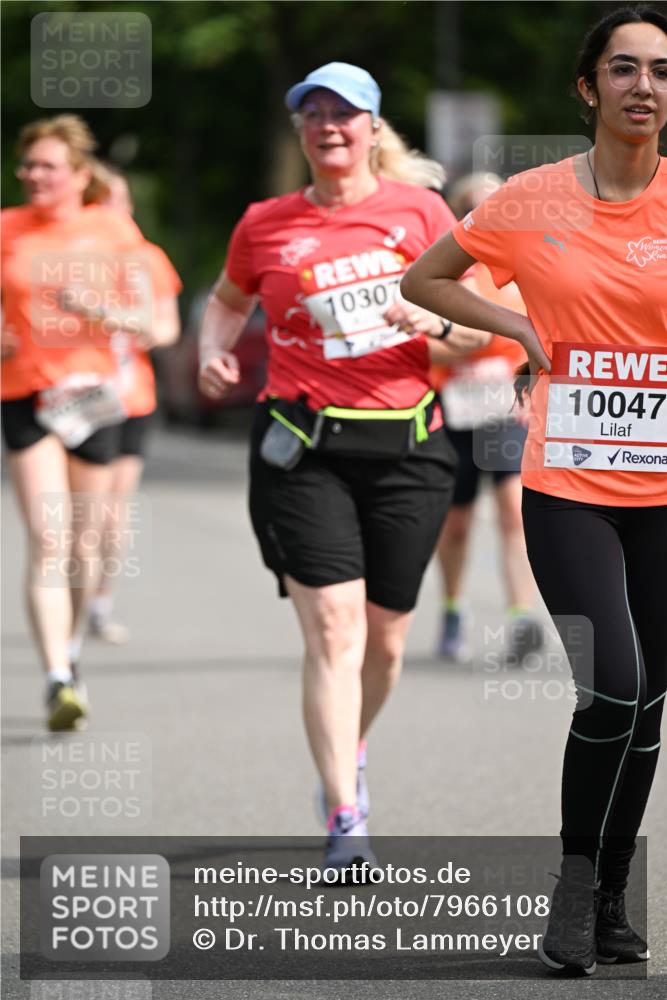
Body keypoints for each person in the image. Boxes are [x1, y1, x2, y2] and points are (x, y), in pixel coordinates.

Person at [401, 5, 667, 975]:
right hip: (569, 485)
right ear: (587, 87)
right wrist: (515, 329)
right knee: (614, 684)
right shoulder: (530, 199)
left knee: (653, 702)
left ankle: (606, 895)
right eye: (625, 68)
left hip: (666, 494)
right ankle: (571, 875)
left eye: (662, 71)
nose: (646, 86)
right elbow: (428, 280)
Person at [197, 62, 489, 872]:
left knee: (385, 646)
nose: (329, 126)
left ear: (371, 128)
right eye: (313, 114)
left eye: (344, 114)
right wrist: (213, 356)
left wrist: (426, 316)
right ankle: (342, 814)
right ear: (300, 131)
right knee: (332, 628)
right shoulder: (265, 222)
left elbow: (479, 333)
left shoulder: (419, 212)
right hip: (302, 446)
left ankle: (348, 749)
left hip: (408, 447)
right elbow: (226, 302)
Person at [1, 115, 148, 730]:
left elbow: (152, 321)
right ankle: (58, 675)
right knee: (50, 539)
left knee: (86, 545)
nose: (34, 175)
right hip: (26, 393)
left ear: (78, 175)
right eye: (28, 165)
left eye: (48, 167)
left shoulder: (113, 230)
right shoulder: (6, 229)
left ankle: (75, 648)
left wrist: (103, 310)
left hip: (94, 398)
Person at [429, 172, 543, 666]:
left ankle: (522, 620)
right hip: (453, 406)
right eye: (478, 205)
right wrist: (456, 348)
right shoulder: (450, 273)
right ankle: (454, 610)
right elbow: (422, 342)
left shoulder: (528, 270)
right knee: (454, 525)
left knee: (513, 513)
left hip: (505, 407)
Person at [85, 162, 182, 643]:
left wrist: (110, 318)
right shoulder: (61, 256)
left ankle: (98, 603)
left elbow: (166, 330)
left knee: (111, 510)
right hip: (66, 397)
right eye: (98, 201)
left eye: (116, 200)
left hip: (126, 397)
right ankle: (68, 599)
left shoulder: (147, 259)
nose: (109, 210)